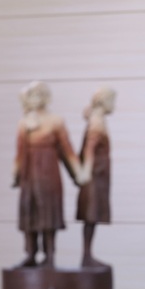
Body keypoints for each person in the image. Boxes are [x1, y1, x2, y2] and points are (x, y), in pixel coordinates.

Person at [13, 81, 83, 267]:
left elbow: (67, 150)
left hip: (49, 172)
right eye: (31, 95)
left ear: (45, 97)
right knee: (29, 209)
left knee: (49, 211)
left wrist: (77, 173)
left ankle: (50, 255)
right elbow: (19, 153)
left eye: (38, 94)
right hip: (29, 173)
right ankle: (31, 253)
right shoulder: (24, 123)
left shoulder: (55, 121)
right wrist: (15, 174)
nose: (34, 99)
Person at [76, 86, 116, 267]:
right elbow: (90, 148)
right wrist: (86, 171)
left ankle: (87, 255)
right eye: (112, 100)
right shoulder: (97, 122)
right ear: (103, 101)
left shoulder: (98, 120)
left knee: (92, 217)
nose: (113, 105)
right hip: (94, 177)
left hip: (98, 176)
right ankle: (86, 256)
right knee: (90, 216)